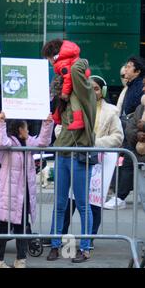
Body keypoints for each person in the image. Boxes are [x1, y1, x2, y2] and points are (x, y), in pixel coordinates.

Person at [42, 39, 97, 263]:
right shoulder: (64, 87)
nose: (51, 66)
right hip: (64, 151)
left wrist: (69, 60)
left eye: (50, 60)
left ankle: (85, 248)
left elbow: (77, 66)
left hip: (80, 150)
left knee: (83, 204)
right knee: (60, 203)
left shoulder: (82, 84)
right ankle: (55, 245)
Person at [55, 76, 124, 246]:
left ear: (103, 91)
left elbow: (118, 136)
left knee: (93, 202)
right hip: (74, 158)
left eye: (96, 89)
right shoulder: (74, 107)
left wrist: (94, 144)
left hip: (99, 161)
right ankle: (59, 236)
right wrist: (73, 142)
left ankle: (89, 239)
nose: (92, 92)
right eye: (89, 88)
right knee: (69, 201)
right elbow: (59, 129)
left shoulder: (111, 111)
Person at [0, 112, 53, 268]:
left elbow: (43, 142)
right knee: (3, 228)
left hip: (24, 193)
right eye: (26, 127)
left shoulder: (28, 142)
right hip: (8, 193)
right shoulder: (9, 142)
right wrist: (1, 122)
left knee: (22, 227)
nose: (28, 130)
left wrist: (47, 124)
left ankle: (21, 260)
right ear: (19, 129)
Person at [106, 57, 145, 209]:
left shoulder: (138, 86)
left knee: (129, 163)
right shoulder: (131, 86)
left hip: (135, 129)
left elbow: (136, 112)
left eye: (129, 67)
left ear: (138, 71)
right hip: (131, 130)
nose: (126, 69)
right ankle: (119, 196)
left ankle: (120, 197)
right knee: (128, 162)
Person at [47, 39, 91, 130]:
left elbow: (68, 77)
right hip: (77, 79)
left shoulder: (62, 63)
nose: (48, 61)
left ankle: (78, 120)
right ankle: (57, 115)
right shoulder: (66, 58)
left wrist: (65, 92)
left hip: (76, 81)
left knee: (74, 98)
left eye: (48, 58)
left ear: (53, 56)